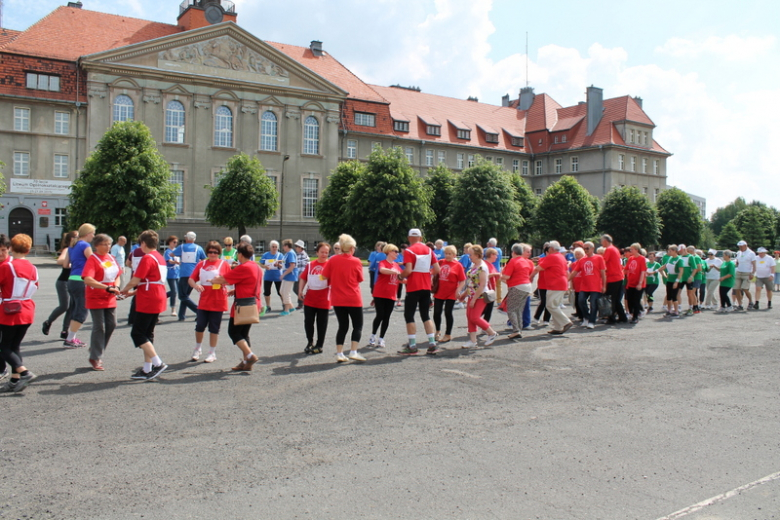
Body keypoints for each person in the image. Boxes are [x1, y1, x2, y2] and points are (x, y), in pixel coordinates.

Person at [121, 230, 169, 381]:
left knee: (137, 333)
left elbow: (137, 279)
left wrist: (123, 291)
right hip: (157, 294)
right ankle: (147, 368)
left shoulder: (147, 258)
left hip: (149, 297)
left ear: (143, 243)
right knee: (148, 334)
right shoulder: (160, 257)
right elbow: (152, 280)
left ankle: (157, 363)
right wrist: (132, 293)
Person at [212, 243, 263, 372]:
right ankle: (246, 362)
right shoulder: (256, 267)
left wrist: (212, 279)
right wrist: (235, 290)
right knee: (244, 334)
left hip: (243, 305)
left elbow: (224, 280)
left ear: (240, 254)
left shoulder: (243, 267)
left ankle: (250, 356)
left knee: (233, 332)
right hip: (254, 302)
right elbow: (249, 283)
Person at [0, 234, 39, 393]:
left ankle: (24, 372)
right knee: (15, 346)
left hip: (10, 310)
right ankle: (15, 380)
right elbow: (35, 286)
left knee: (4, 347)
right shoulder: (33, 267)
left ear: (11, 248)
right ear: (28, 250)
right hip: (27, 308)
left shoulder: (6, 267)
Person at [321, 234, 365, 363]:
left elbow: (324, 276)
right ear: (351, 248)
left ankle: (340, 353)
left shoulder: (333, 260)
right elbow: (360, 279)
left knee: (342, 326)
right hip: (353, 298)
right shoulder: (356, 261)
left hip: (338, 298)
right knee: (357, 326)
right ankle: (353, 351)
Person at [82, 233, 121, 371]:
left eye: (109, 244)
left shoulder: (110, 257)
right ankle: (95, 356)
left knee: (111, 324)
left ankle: (96, 349)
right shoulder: (93, 259)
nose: (108, 246)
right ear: (97, 245)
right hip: (96, 296)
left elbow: (117, 275)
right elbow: (88, 279)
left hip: (109, 296)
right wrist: (107, 287)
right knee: (100, 326)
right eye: (104, 244)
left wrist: (116, 286)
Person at [397, 228, 440, 355]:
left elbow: (408, 270)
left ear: (409, 238)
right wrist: (428, 274)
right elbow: (437, 269)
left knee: (409, 315)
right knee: (425, 315)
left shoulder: (409, 250)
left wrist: (400, 276)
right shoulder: (429, 250)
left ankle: (412, 345)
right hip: (426, 286)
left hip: (413, 286)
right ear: (421, 238)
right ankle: (432, 343)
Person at [189, 240, 232, 363]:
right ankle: (197, 348)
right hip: (204, 300)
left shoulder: (223, 264)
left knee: (214, 328)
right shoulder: (201, 264)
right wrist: (196, 286)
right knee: (200, 326)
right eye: (210, 252)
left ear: (219, 252)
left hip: (218, 300)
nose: (212, 254)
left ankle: (212, 352)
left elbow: (230, 281)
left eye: (215, 252)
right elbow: (191, 279)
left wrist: (218, 281)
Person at [458, 245, 499, 348]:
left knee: (475, 317)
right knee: (470, 317)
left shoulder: (482, 267)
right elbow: (471, 283)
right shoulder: (474, 265)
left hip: (480, 296)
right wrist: (464, 295)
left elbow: (482, 285)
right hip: (472, 295)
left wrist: (474, 299)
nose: (469, 256)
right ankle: (473, 341)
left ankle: (492, 333)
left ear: (477, 255)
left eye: (470, 254)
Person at [62, 223, 95, 348]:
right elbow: (93, 262)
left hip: (71, 279)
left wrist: (76, 266)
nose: (93, 236)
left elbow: (65, 265)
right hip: (81, 280)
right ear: (87, 234)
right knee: (81, 311)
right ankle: (70, 339)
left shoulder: (72, 246)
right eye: (93, 233)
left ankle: (72, 337)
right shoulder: (85, 245)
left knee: (75, 309)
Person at [42, 230, 77, 339]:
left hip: (73, 282)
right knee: (64, 306)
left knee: (71, 307)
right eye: (77, 237)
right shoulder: (67, 250)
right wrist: (72, 263)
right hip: (63, 282)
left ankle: (64, 331)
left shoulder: (78, 250)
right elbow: (60, 261)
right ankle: (48, 322)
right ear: (71, 239)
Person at [532, 241, 572, 334]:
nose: (548, 249)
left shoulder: (552, 257)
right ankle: (558, 327)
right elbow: (567, 272)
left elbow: (539, 268)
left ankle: (566, 322)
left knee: (550, 305)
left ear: (552, 249)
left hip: (555, 285)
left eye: (549, 247)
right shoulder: (561, 257)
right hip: (560, 284)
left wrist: (530, 276)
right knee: (554, 305)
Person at [299, 242, 331, 355]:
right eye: (322, 252)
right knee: (308, 321)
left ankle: (319, 344)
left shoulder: (330, 265)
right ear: (317, 252)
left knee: (321, 323)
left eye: (326, 252)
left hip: (324, 300)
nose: (324, 254)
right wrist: (300, 291)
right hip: (310, 299)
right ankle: (310, 342)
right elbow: (303, 278)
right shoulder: (310, 265)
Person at [370, 243, 403, 348]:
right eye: (395, 251)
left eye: (397, 251)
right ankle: (373, 336)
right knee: (380, 315)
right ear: (389, 252)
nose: (397, 253)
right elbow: (382, 270)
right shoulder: (383, 263)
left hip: (391, 294)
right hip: (380, 293)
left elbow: (402, 278)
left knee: (387, 317)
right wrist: (394, 272)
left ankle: (381, 338)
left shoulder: (397, 265)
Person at [433, 245, 466, 343]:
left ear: (454, 255)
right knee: (437, 312)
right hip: (440, 291)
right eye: (446, 253)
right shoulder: (441, 262)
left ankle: (448, 334)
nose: (447, 255)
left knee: (448, 312)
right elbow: (433, 273)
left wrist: (458, 290)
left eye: (450, 254)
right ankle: (438, 330)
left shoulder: (458, 265)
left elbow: (462, 280)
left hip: (451, 292)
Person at [501, 243, 534, 339]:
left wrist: (499, 276)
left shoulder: (513, 261)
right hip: (527, 286)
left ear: (513, 252)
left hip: (517, 286)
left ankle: (516, 330)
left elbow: (507, 276)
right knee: (519, 309)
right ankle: (519, 328)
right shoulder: (525, 261)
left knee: (511, 309)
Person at [570, 241, 606, 329]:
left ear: (592, 249)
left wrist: (604, 285)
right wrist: (566, 280)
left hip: (596, 285)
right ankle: (587, 317)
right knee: (581, 301)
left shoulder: (599, 258)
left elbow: (603, 273)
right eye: (584, 248)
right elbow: (574, 272)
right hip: (585, 285)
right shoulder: (582, 260)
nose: (585, 250)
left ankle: (592, 321)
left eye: (587, 248)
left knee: (593, 303)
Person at [173, 231, 206, 321]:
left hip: (184, 273)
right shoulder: (198, 248)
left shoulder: (182, 247)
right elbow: (204, 259)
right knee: (186, 295)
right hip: (194, 274)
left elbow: (172, 254)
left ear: (186, 238)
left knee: (182, 296)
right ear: (194, 239)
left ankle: (199, 311)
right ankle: (181, 315)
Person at [600, 234, 627, 324]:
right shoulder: (615, 249)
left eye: (602, 240)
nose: (601, 242)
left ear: (605, 241)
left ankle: (612, 318)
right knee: (615, 299)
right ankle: (622, 317)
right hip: (618, 277)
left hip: (613, 277)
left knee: (610, 299)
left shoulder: (609, 249)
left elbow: (603, 262)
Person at [624, 243, 647, 324]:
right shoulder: (630, 258)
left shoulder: (642, 259)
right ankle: (633, 313)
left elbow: (642, 271)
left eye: (632, 249)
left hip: (639, 283)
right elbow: (626, 269)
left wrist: (640, 283)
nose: (630, 251)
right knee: (629, 300)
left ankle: (635, 317)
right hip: (631, 282)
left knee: (636, 300)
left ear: (637, 250)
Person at [260, 240, 284, 312]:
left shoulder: (280, 255)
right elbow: (261, 264)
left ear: (278, 248)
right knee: (267, 292)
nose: (274, 248)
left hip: (278, 276)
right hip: (268, 276)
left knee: (280, 292)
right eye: (273, 247)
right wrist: (265, 267)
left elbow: (283, 265)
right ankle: (268, 306)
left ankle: (284, 304)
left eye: (276, 247)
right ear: (270, 247)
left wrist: (279, 265)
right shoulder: (265, 255)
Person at [659, 245, 682, 318]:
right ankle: (669, 311)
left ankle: (676, 312)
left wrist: (677, 281)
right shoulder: (669, 259)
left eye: (670, 251)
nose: (669, 252)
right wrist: (663, 274)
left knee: (674, 296)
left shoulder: (679, 259)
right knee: (668, 296)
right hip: (669, 279)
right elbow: (663, 267)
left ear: (675, 251)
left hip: (675, 280)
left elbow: (681, 271)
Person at [733, 240, 756, 311]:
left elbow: (754, 264)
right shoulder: (739, 253)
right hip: (739, 272)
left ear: (745, 246)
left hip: (747, 272)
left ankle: (751, 301)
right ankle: (740, 304)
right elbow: (737, 262)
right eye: (739, 246)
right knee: (736, 288)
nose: (740, 248)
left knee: (745, 288)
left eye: (741, 246)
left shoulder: (751, 253)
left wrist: (752, 273)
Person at [533, 242, 551, 326]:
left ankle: (546, 319)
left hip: (551, 284)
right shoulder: (542, 260)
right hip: (542, 284)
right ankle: (537, 317)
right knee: (543, 302)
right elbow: (539, 268)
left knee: (549, 302)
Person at [279, 239, 298, 316]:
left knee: (286, 292)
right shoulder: (287, 253)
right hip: (286, 275)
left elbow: (292, 265)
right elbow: (285, 263)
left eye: (283, 246)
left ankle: (286, 309)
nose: (283, 247)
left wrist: (283, 274)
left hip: (290, 275)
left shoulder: (291, 253)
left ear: (286, 246)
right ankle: (291, 306)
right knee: (281, 291)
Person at [163, 236, 180, 317]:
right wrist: (176, 262)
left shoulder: (176, 251)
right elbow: (169, 261)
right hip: (171, 273)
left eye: (176, 242)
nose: (175, 244)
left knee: (176, 290)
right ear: (169, 242)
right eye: (174, 242)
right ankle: (173, 309)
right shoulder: (167, 251)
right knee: (174, 291)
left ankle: (162, 296)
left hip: (177, 273)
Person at [367, 241, 386, 307]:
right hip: (375, 271)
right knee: (374, 286)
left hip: (378, 271)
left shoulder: (379, 255)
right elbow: (370, 262)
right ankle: (377, 298)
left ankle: (377, 298)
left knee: (376, 285)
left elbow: (372, 264)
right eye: (378, 245)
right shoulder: (374, 253)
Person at [293, 240, 309, 310]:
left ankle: (302, 301)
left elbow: (303, 267)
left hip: (301, 276)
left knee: (297, 289)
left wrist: (301, 276)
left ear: (300, 247)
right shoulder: (298, 254)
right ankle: (301, 302)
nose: (295, 248)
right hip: (297, 275)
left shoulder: (303, 255)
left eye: (296, 246)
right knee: (297, 289)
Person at [487, 238, 503, 303]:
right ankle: (499, 300)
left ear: (490, 244)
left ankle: (489, 298)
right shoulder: (499, 250)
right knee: (498, 286)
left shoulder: (486, 250)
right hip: (497, 269)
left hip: (489, 270)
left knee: (489, 285)